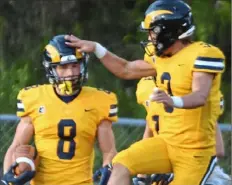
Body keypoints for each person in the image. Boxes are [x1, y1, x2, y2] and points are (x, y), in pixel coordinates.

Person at [64, 0, 226, 184]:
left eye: (153, 32)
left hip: (194, 152)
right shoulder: (159, 58)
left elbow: (200, 96)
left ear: (168, 30)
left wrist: (173, 101)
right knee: (121, 163)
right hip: (166, 142)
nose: (150, 38)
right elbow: (126, 69)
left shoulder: (204, 54)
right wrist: (97, 48)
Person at [1, 35, 118, 185]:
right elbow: (16, 146)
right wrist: (7, 178)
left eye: (75, 65)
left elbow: (109, 151)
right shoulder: (34, 98)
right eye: (63, 67)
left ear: (83, 65)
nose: (70, 73)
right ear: (51, 68)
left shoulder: (99, 101)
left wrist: (108, 170)